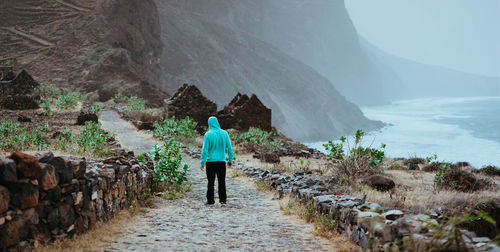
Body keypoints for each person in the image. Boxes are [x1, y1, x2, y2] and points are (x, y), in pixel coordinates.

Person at [200, 116, 234, 205]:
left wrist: (202, 162)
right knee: (222, 181)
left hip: (210, 162)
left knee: (210, 182)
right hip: (221, 162)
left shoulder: (208, 134)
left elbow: (205, 150)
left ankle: (210, 200)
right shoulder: (225, 134)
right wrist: (230, 160)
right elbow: (229, 149)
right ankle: (223, 200)